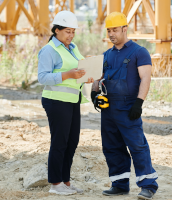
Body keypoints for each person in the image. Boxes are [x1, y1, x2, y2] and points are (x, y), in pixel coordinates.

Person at [91, 12, 158, 200]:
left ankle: (148, 185)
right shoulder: (106, 55)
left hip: (129, 107)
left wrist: (139, 102)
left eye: (115, 30)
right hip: (109, 108)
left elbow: (146, 77)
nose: (111, 34)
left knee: (137, 146)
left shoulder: (139, 52)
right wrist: (94, 93)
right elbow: (98, 79)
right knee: (112, 146)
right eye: (109, 31)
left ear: (124, 29)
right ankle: (119, 184)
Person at [38, 11, 94, 196]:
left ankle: (65, 182)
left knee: (72, 141)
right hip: (56, 101)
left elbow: (80, 69)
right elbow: (42, 77)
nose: (70, 35)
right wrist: (68, 74)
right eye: (67, 31)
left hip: (72, 100)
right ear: (56, 30)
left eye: (73, 32)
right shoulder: (49, 50)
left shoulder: (72, 47)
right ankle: (55, 184)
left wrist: (86, 76)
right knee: (59, 142)